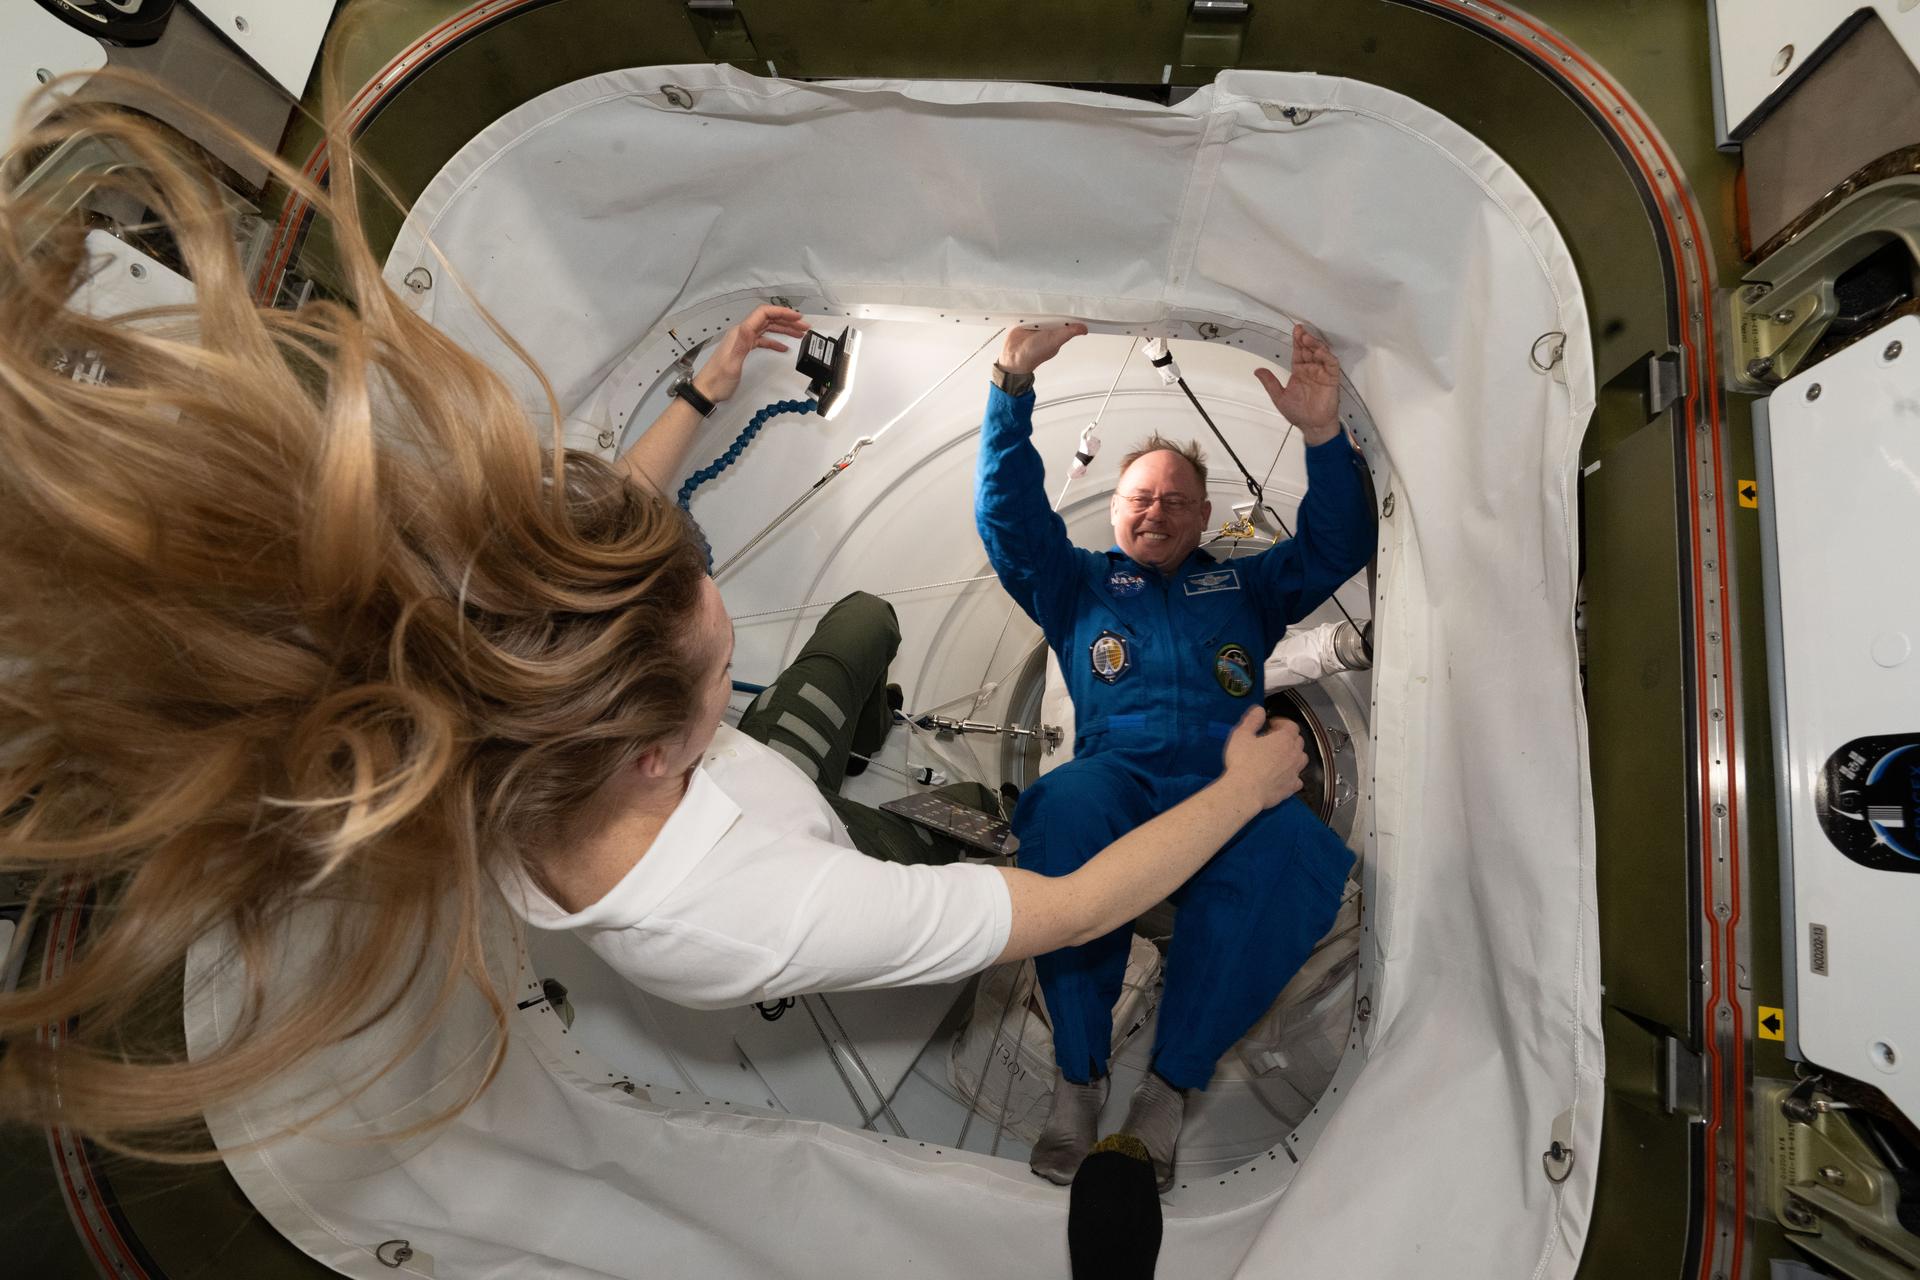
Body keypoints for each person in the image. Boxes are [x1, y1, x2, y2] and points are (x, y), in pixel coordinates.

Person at [0, 101, 1312, 1161]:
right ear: (666, 747)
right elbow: (1077, 903)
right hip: (803, 830)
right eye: (713, 641)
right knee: (980, 837)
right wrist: (1253, 785)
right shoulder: (766, 915)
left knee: (858, 616)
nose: (717, 609)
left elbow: (599, 539)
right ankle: (1061, 1007)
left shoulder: (506, 681)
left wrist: (700, 385)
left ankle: (874, 747)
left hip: (756, 780)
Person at [974, 321, 1377, 1189]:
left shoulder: (1244, 583)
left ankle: (1167, 1090)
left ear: (1202, 517)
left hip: (1220, 781)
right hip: (1116, 776)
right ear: (1117, 510)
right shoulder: (1075, 581)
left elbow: (1338, 546)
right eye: (1138, 498)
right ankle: (1078, 1080)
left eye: (1173, 500)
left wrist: (1318, 434)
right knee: (1063, 807)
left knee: (1300, 852)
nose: (1153, 510)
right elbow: (1006, 519)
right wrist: (1010, 385)